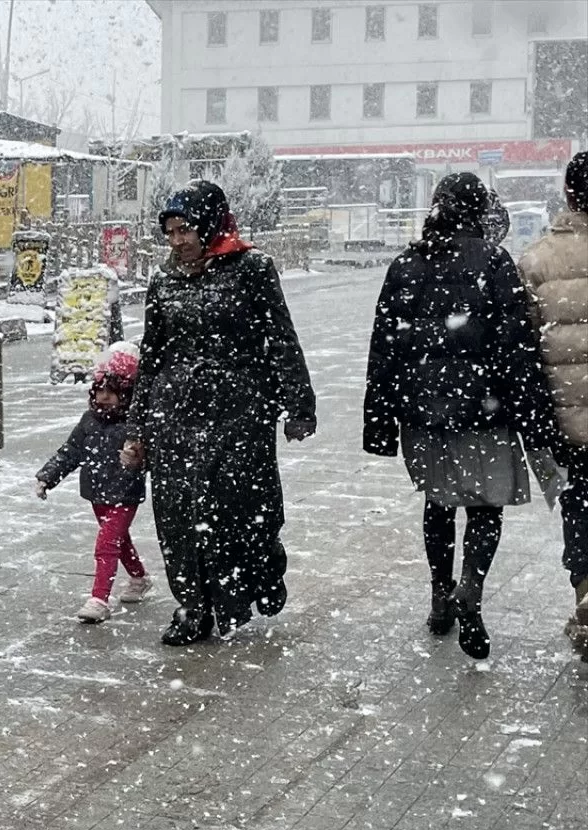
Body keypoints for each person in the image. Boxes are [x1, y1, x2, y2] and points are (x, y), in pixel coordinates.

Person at [363, 172, 557, 660]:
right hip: (485, 410)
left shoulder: (406, 264)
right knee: (485, 505)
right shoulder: (494, 262)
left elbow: (384, 347)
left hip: (424, 412)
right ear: (479, 213)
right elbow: (518, 347)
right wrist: (532, 416)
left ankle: (438, 594)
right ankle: (471, 586)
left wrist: (380, 420)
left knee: (439, 502)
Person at [121, 181, 316, 646]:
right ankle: (192, 605)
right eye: (169, 232)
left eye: (184, 229)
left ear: (209, 225)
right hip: (175, 416)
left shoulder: (253, 269)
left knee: (241, 510)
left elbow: (281, 339)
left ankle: (260, 570)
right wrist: (137, 427)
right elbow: (152, 356)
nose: (177, 241)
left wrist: (299, 405)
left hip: (241, 412)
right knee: (177, 516)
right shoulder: (164, 280)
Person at [519, 151, 588, 660]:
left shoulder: (538, 259)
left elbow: (524, 345)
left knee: (580, 502)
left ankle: (586, 593)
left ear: (568, 193)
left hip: (570, 413)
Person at [37, 342, 151, 624]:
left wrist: (139, 457)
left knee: (106, 543)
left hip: (124, 493)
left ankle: (99, 598)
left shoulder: (135, 425)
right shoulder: (89, 421)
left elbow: (152, 456)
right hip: (96, 493)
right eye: (99, 391)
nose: (103, 398)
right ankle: (139, 577)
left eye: (111, 393)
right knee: (119, 541)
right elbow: (70, 452)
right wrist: (47, 476)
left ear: (126, 395)